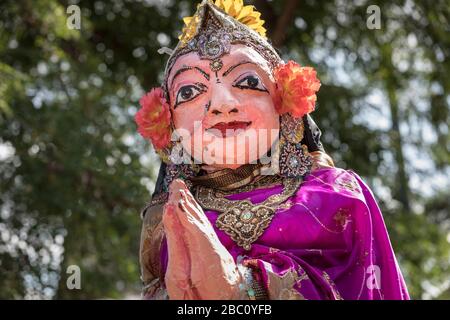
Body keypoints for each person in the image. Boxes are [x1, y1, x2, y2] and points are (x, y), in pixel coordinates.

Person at [135, 0, 409, 300]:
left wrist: (244, 289)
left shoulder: (338, 195)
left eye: (247, 81)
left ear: (285, 106)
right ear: (171, 127)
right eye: (189, 91)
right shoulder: (165, 221)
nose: (223, 104)